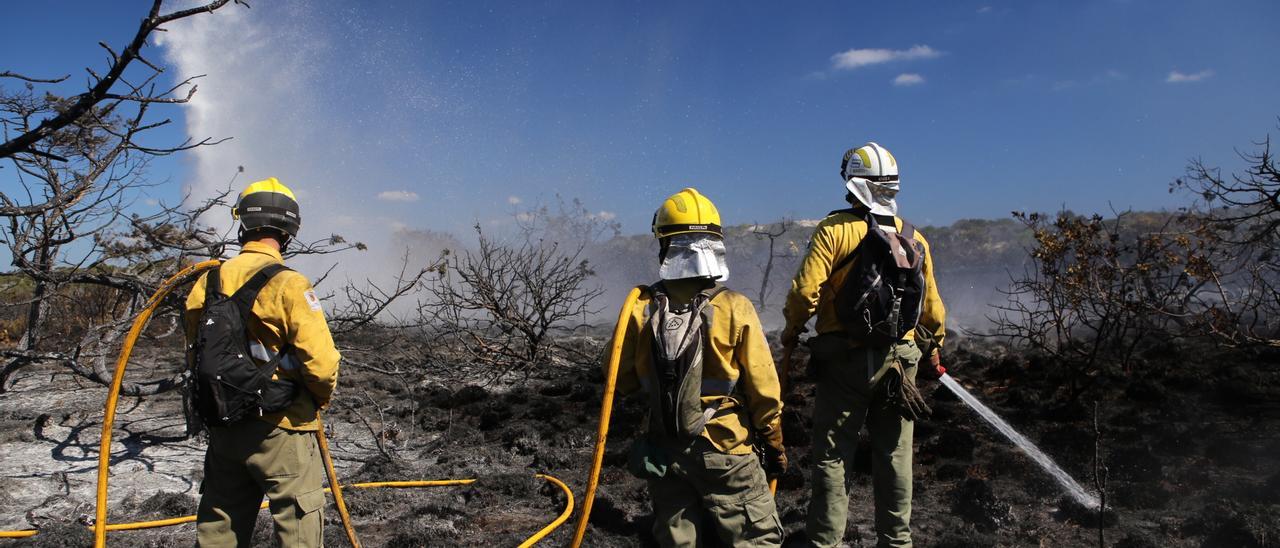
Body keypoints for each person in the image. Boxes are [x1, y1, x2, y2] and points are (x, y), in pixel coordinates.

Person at [781, 143, 947, 548]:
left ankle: (826, 541)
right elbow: (933, 310)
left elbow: (804, 293)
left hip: (845, 360)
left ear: (852, 183)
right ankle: (897, 541)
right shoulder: (914, 237)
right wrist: (933, 349)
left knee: (833, 455)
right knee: (895, 456)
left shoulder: (834, 230)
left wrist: (792, 331)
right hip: (900, 363)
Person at [608, 187, 786, 547]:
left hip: (664, 447)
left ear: (664, 245)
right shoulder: (734, 306)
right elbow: (764, 390)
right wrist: (774, 441)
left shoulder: (640, 307)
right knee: (757, 539)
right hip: (725, 447)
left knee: (676, 539)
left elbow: (620, 381)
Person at [185, 178, 341, 547]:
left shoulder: (207, 281)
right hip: (283, 427)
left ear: (243, 223)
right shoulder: (291, 284)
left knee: (219, 528)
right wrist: (317, 401)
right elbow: (321, 366)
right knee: (298, 528)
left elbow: (195, 351)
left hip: (225, 425)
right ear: (289, 231)